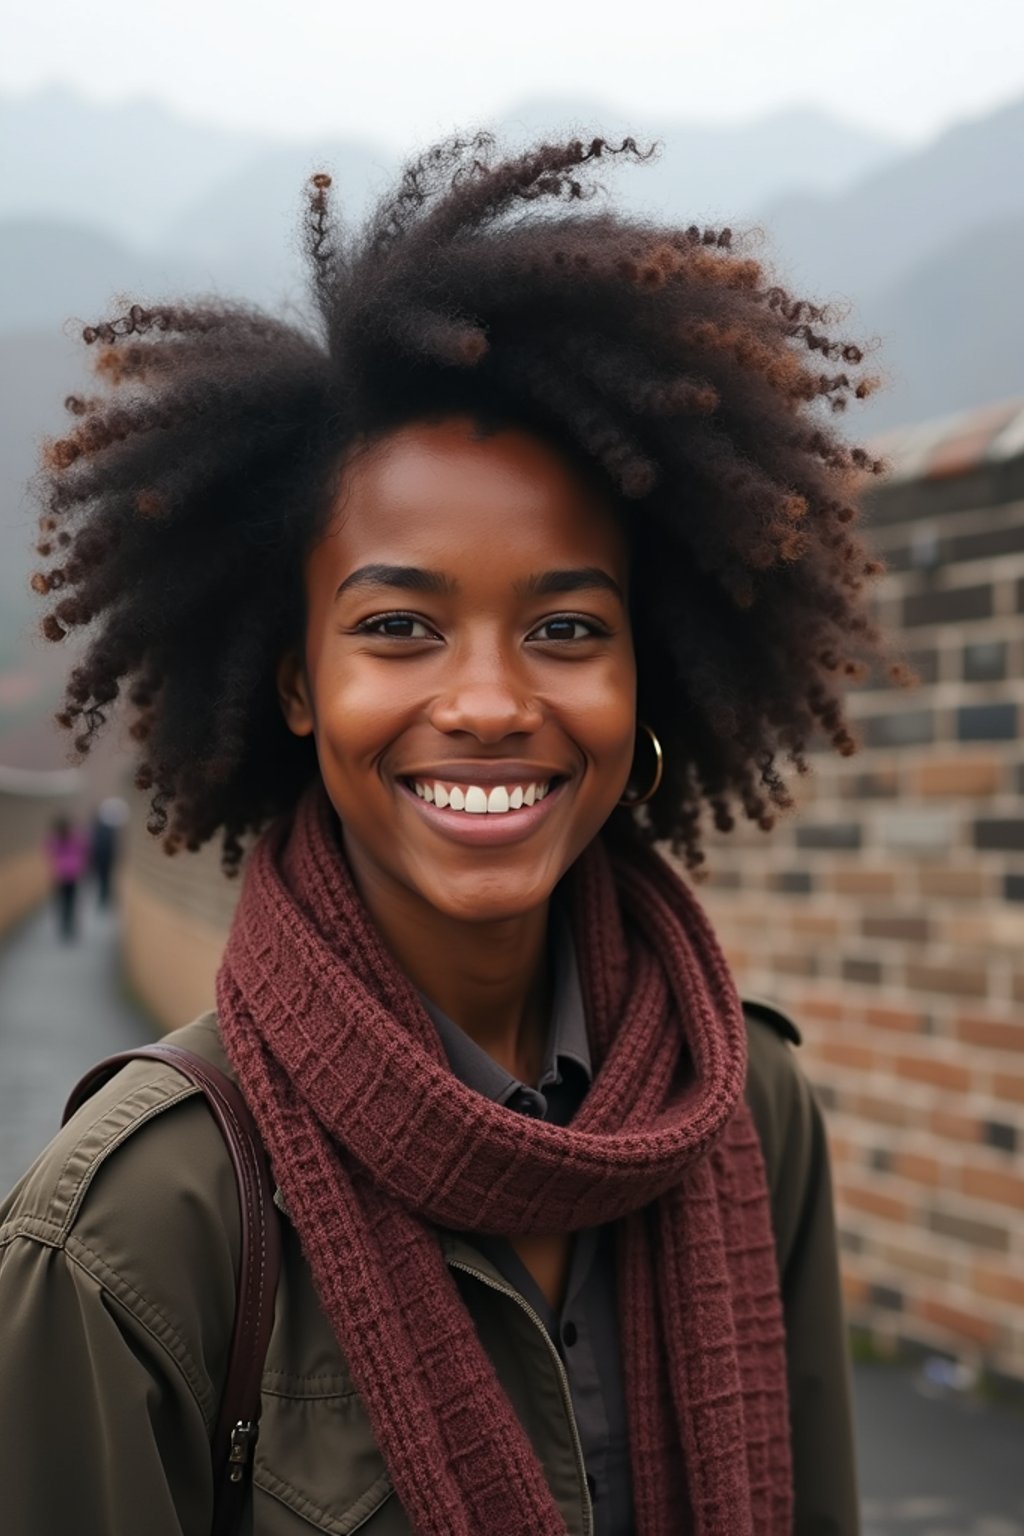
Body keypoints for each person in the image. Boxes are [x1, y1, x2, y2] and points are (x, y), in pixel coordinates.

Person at [0, 135, 895, 1535]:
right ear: (298, 682)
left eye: (565, 629)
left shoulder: (746, 1108)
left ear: (641, 674)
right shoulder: (139, 1228)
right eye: (399, 627)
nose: (487, 702)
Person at [44, 814, 89, 940]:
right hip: (73, 874)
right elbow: (84, 850)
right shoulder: (75, 837)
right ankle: (70, 925)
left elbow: (48, 851)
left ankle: (64, 926)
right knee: (72, 901)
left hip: (60, 875)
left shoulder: (56, 839)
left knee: (62, 901)